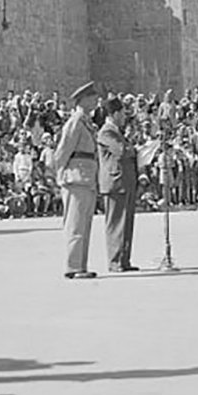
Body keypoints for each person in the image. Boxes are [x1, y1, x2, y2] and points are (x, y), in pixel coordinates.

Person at [53, 81, 100, 279]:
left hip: (86, 177)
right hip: (76, 178)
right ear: (84, 99)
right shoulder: (75, 122)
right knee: (76, 224)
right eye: (94, 97)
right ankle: (73, 265)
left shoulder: (86, 122)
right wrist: (60, 174)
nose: (97, 100)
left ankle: (81, 265)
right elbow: (62, 152)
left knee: (84, 224)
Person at [97, 96, 140, 273]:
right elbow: (121, 151)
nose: (124, 116)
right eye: (122, 113)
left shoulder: (117, 132)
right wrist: (133, 149)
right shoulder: (106, 132)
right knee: (116, 222)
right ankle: (115, 260)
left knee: (127, 222)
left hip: (125, 180)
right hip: (115, 181)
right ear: (114, 114)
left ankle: (124, 259)